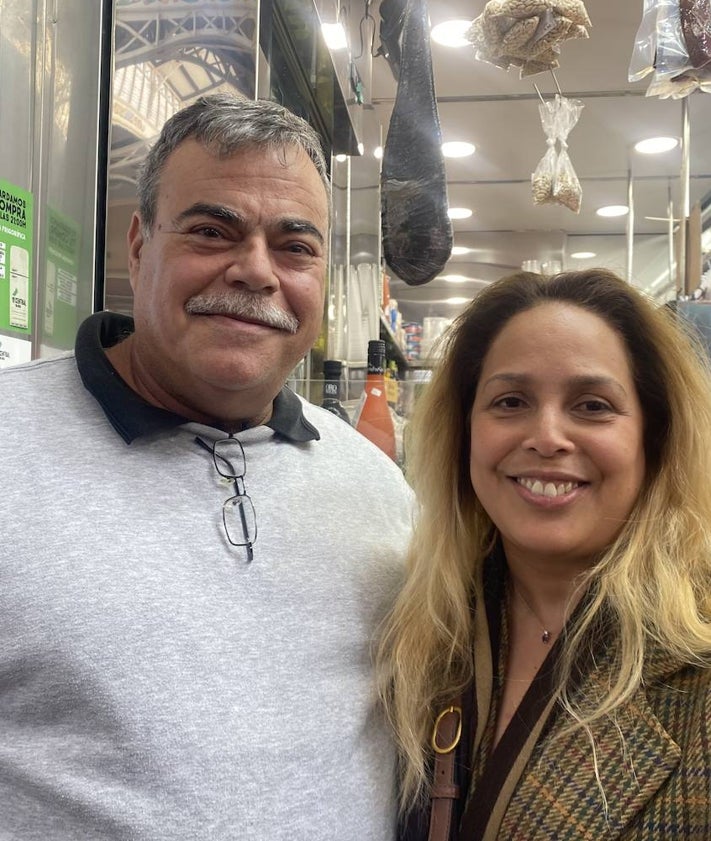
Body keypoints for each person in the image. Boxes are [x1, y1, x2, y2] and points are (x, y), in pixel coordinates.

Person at [0, 93, 413, 840]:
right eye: (211, 230)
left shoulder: (376, 489)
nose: (255, 271)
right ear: (138, 244)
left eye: (295, 247)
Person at [377, 269, 711, 840]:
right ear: (465, 434)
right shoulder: (423, 632)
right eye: (510, 401)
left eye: (592, 405)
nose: (548, 436)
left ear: (653, 438)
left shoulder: (694, 665)